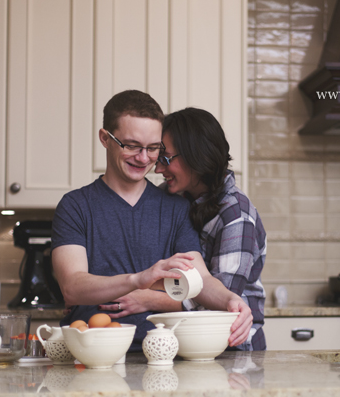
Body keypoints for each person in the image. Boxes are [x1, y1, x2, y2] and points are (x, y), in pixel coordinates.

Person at [51, 90, 252, 352]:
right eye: (132, 145)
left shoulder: (177, 208)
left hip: (162, 354)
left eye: (154, 148)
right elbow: (72, 287)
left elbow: (200, 279)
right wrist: (139, 279)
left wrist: (230, 300)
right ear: (105, 138)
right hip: (90, 352)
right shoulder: (75, 205)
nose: (144, 158)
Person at [101, 107, 267, 351]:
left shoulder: (236, 215)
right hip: (181, 345)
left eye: (165, 159)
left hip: (231, 348)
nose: (157, 169)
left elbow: (220, 300)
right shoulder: (171, 198)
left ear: (196, 156)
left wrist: (147, 299)